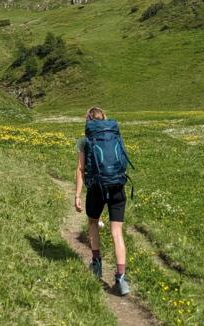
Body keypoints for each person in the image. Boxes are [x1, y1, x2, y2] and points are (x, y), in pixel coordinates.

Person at [74, 106, 131, 296]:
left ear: (88, 120)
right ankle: (121, 277)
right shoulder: (114, 134)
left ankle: (96, 263)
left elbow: (81, 169)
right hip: (117, 186)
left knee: (92, 222)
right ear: (104, 118)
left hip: (96, 188)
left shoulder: (85, 140)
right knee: (117, 232)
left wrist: (77, 195)